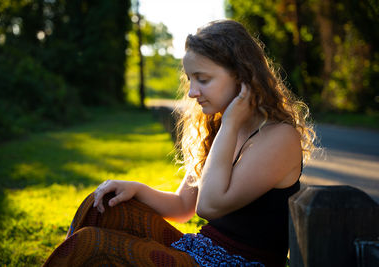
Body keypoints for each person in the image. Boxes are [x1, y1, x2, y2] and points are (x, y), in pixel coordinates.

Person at [42, 19, 315, 267]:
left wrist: (230, 124)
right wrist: (135, 188)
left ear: (242, 77)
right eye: (190, 79)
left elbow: (208, 206)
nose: (192, 92)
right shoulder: (218, 126)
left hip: (238, 263)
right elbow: (184, 205)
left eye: (203, 79)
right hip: (199, 251)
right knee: (101, 206)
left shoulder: (279, 136)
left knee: (90, 244)